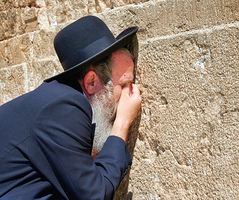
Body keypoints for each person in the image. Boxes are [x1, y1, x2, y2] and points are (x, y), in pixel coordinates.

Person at [0, 16, 141, 200]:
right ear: (91, 82)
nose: (129, 93)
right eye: (124, 84)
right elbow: (94, 195)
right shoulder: (65, 107)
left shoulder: (55, 99)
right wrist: (122, 123)